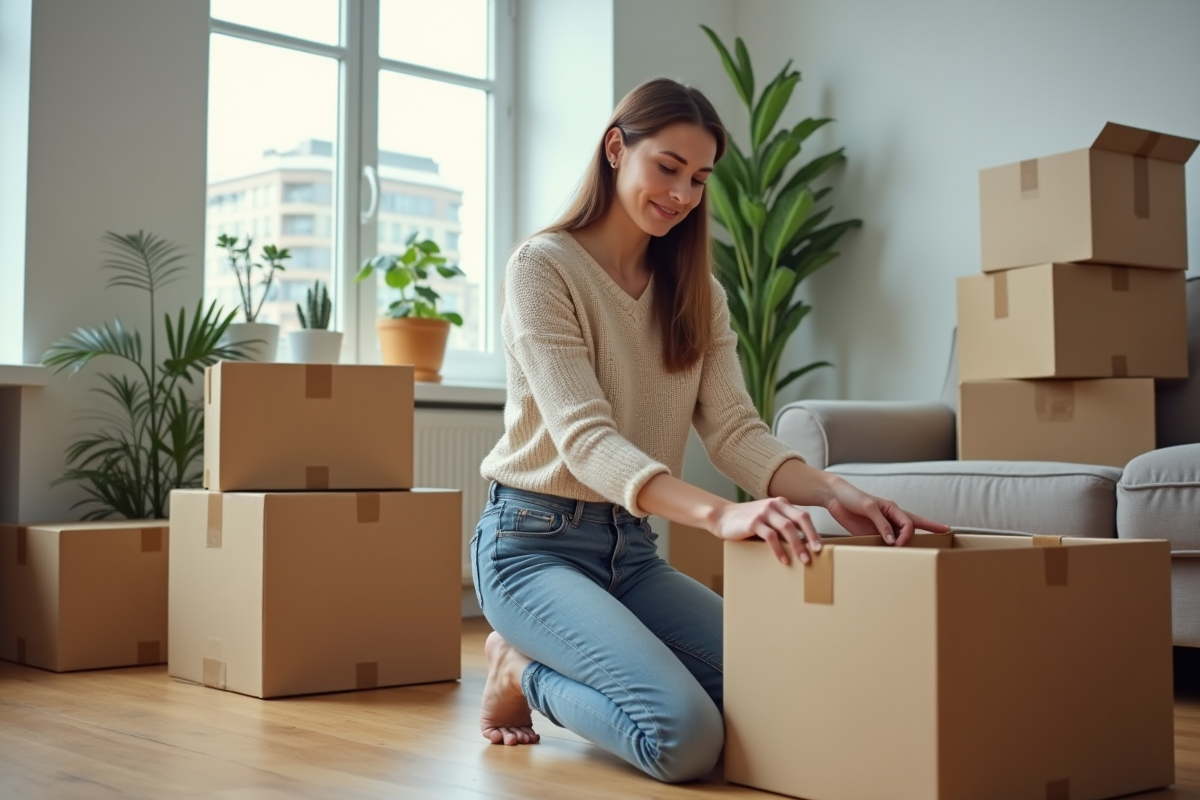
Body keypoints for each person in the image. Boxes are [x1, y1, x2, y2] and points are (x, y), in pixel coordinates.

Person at [471, 77, 948, 784]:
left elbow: (735, 430)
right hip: (533, 548)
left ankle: (544, 663)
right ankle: (519, 667)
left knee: (779, 697)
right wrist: (722, 514)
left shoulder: (699, 291)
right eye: (667, 167)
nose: (683, 194)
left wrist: (831, 490)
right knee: (685, 739)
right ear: (615, 148)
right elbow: (586, 440)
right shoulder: (544, 268)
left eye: (699, 178)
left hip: (628, 554)